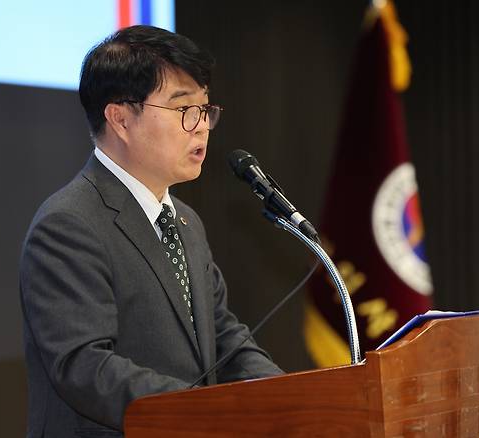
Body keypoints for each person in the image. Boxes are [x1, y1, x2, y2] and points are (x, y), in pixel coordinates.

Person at [19, 25, 283, 438]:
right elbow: (84, 366)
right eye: (184, 110)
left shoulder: (185, 221)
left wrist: (289, 397)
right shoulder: (68, 225)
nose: (202, 127)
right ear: (121, 118)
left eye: (206, 109)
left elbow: (225, 338)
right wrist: (206, 411)